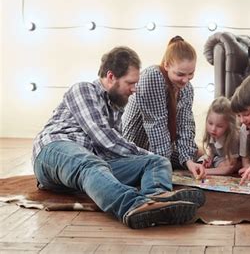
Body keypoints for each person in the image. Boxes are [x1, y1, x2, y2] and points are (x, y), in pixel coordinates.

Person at [32, 46, 205, 229]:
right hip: (54, 152)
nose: (134, 90)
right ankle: (135, 206)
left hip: (90, 169)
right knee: (90, 163)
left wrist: (151, 158)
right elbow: (106, 140)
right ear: (111, 77)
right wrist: (141, 152)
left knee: (157, 162)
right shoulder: (83, 90)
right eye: (130, 83)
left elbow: (110, 152)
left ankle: (157, 199)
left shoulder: (116, 109)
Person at [122, 36, 205, 179]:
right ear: (166, 65)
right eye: (180, 74)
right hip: (135, 148)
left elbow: (185, 125)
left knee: (199, 152)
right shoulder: (153, 76)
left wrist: (188, 161)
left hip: (161, 148)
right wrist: (163, 168)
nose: (185, 80)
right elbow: (156, 126)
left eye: (191, 74)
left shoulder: (187, 89)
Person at [199, 97, 240, 175]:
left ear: (228, 126)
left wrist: (205, 171)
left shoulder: (233, 137)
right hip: (221, 157)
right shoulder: (212, 133)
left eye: (220, 126)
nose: (213, 129)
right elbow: (212, 150)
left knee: (224, 165)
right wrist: (209, 159)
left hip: (233, 159)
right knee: (204, 160)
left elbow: (230, 167)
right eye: (210, 123)